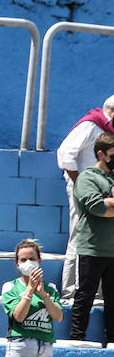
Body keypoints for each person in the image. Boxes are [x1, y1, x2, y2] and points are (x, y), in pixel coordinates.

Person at [55, 95, 114, 300]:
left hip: (103, 194)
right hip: (84, 190)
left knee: (98, 240)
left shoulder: (107, 131)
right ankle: (72, 289)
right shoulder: (91, 125)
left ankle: (94, 290)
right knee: (79, 236)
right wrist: (80, 184)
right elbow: (65, 154)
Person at [2, 239, 62, 357]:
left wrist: (43, 295)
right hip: (20, 345)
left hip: (45, 347)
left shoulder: (50, 288)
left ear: (39, 261)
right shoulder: (10, 287)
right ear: (17, 263)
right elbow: (19, 316)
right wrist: (29, 290)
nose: (28, 263)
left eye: (32, 259)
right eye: (23, 259)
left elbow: (58, 316)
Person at [67, 131, 114, 345]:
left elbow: (107, 206)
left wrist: (110, 202)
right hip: (92, 249)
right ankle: (77, 340)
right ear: (101, 154)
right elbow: (97, 208)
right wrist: (107, 203)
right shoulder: (87, 177)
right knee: (85, 297)